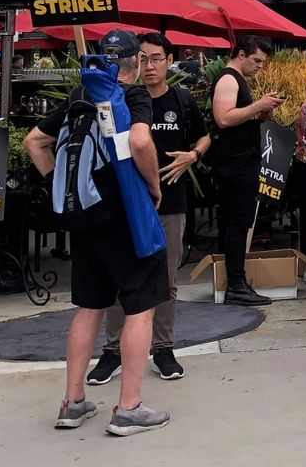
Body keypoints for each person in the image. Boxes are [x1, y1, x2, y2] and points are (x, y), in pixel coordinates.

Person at [24, 30, 170, 435]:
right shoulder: (133, 96)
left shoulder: (77, 97)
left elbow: (34, 142)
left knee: (89, 308)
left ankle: (72, 402)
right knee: (140, 308)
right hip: (126, 220)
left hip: (84, 219)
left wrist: (62, 185)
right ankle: (129, 407)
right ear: (136, 63)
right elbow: (140, 141)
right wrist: (154, 186)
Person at [85, 33, 209, 387]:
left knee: (166, 279)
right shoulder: (115, 98)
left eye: (157, 58)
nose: (150, 65)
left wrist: (193, 155)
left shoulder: (182, 100)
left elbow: (204, 136)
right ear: (134, 61)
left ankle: (163, 347)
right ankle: (112, 350)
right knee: (118, 279)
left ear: (169, 61)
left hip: (169, 202)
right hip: (123, 204)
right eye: (144, 58)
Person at [210, 35, 282, 306]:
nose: (259, 67)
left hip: (240, 160)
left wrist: (260, 112)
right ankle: (236, 283)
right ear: (241, 54)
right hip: (235, 163)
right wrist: (257, 106)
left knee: (237, 223)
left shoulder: (235, 79)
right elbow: (224, 117)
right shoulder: (229, 79)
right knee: (237, 223)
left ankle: (235, 282)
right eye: (256, 61)